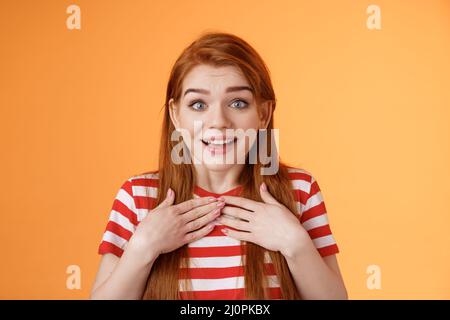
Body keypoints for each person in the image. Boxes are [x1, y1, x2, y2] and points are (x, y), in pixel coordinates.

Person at [90, 32, 347, 300]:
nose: (218, 121)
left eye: (238, 103)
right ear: (176, 115)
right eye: (198, 104)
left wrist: (295, 243)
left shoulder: (300, 190)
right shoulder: (137, 197)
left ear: (263, 113)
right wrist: (142, 248)